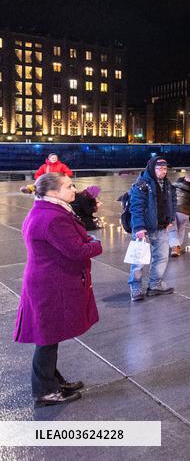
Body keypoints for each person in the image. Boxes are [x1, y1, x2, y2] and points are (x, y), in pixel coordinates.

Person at [14, 173, 102, 407]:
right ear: (53, 192)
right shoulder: (53, 218)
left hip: (47, 280)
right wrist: (95, 244)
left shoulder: (46, 210)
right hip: (50, 284)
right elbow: (77, 251)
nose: (74, 189)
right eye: (69, 186)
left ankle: (53, 381)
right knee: (46, 338)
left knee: (48, 336)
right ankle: (45, 391)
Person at [127, 157, 176, 302]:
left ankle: (155, 285)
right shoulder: (141, 184)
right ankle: (135, 287)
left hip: (162, 227)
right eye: (159, 169)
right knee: (138, 260)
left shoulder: (167, 184)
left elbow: (173, 201)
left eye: (165, 169)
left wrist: (170, 219)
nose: (163, 172)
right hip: (145, 229)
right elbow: (136, 208)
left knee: (161, 258)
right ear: (152, 168)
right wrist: (139, 227)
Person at [170, 174, 190, 257]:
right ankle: (177, 246)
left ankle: (174, 246)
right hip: (184, 212)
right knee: (181, 229)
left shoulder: (172, 187)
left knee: (172, 230)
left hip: (172, 210)